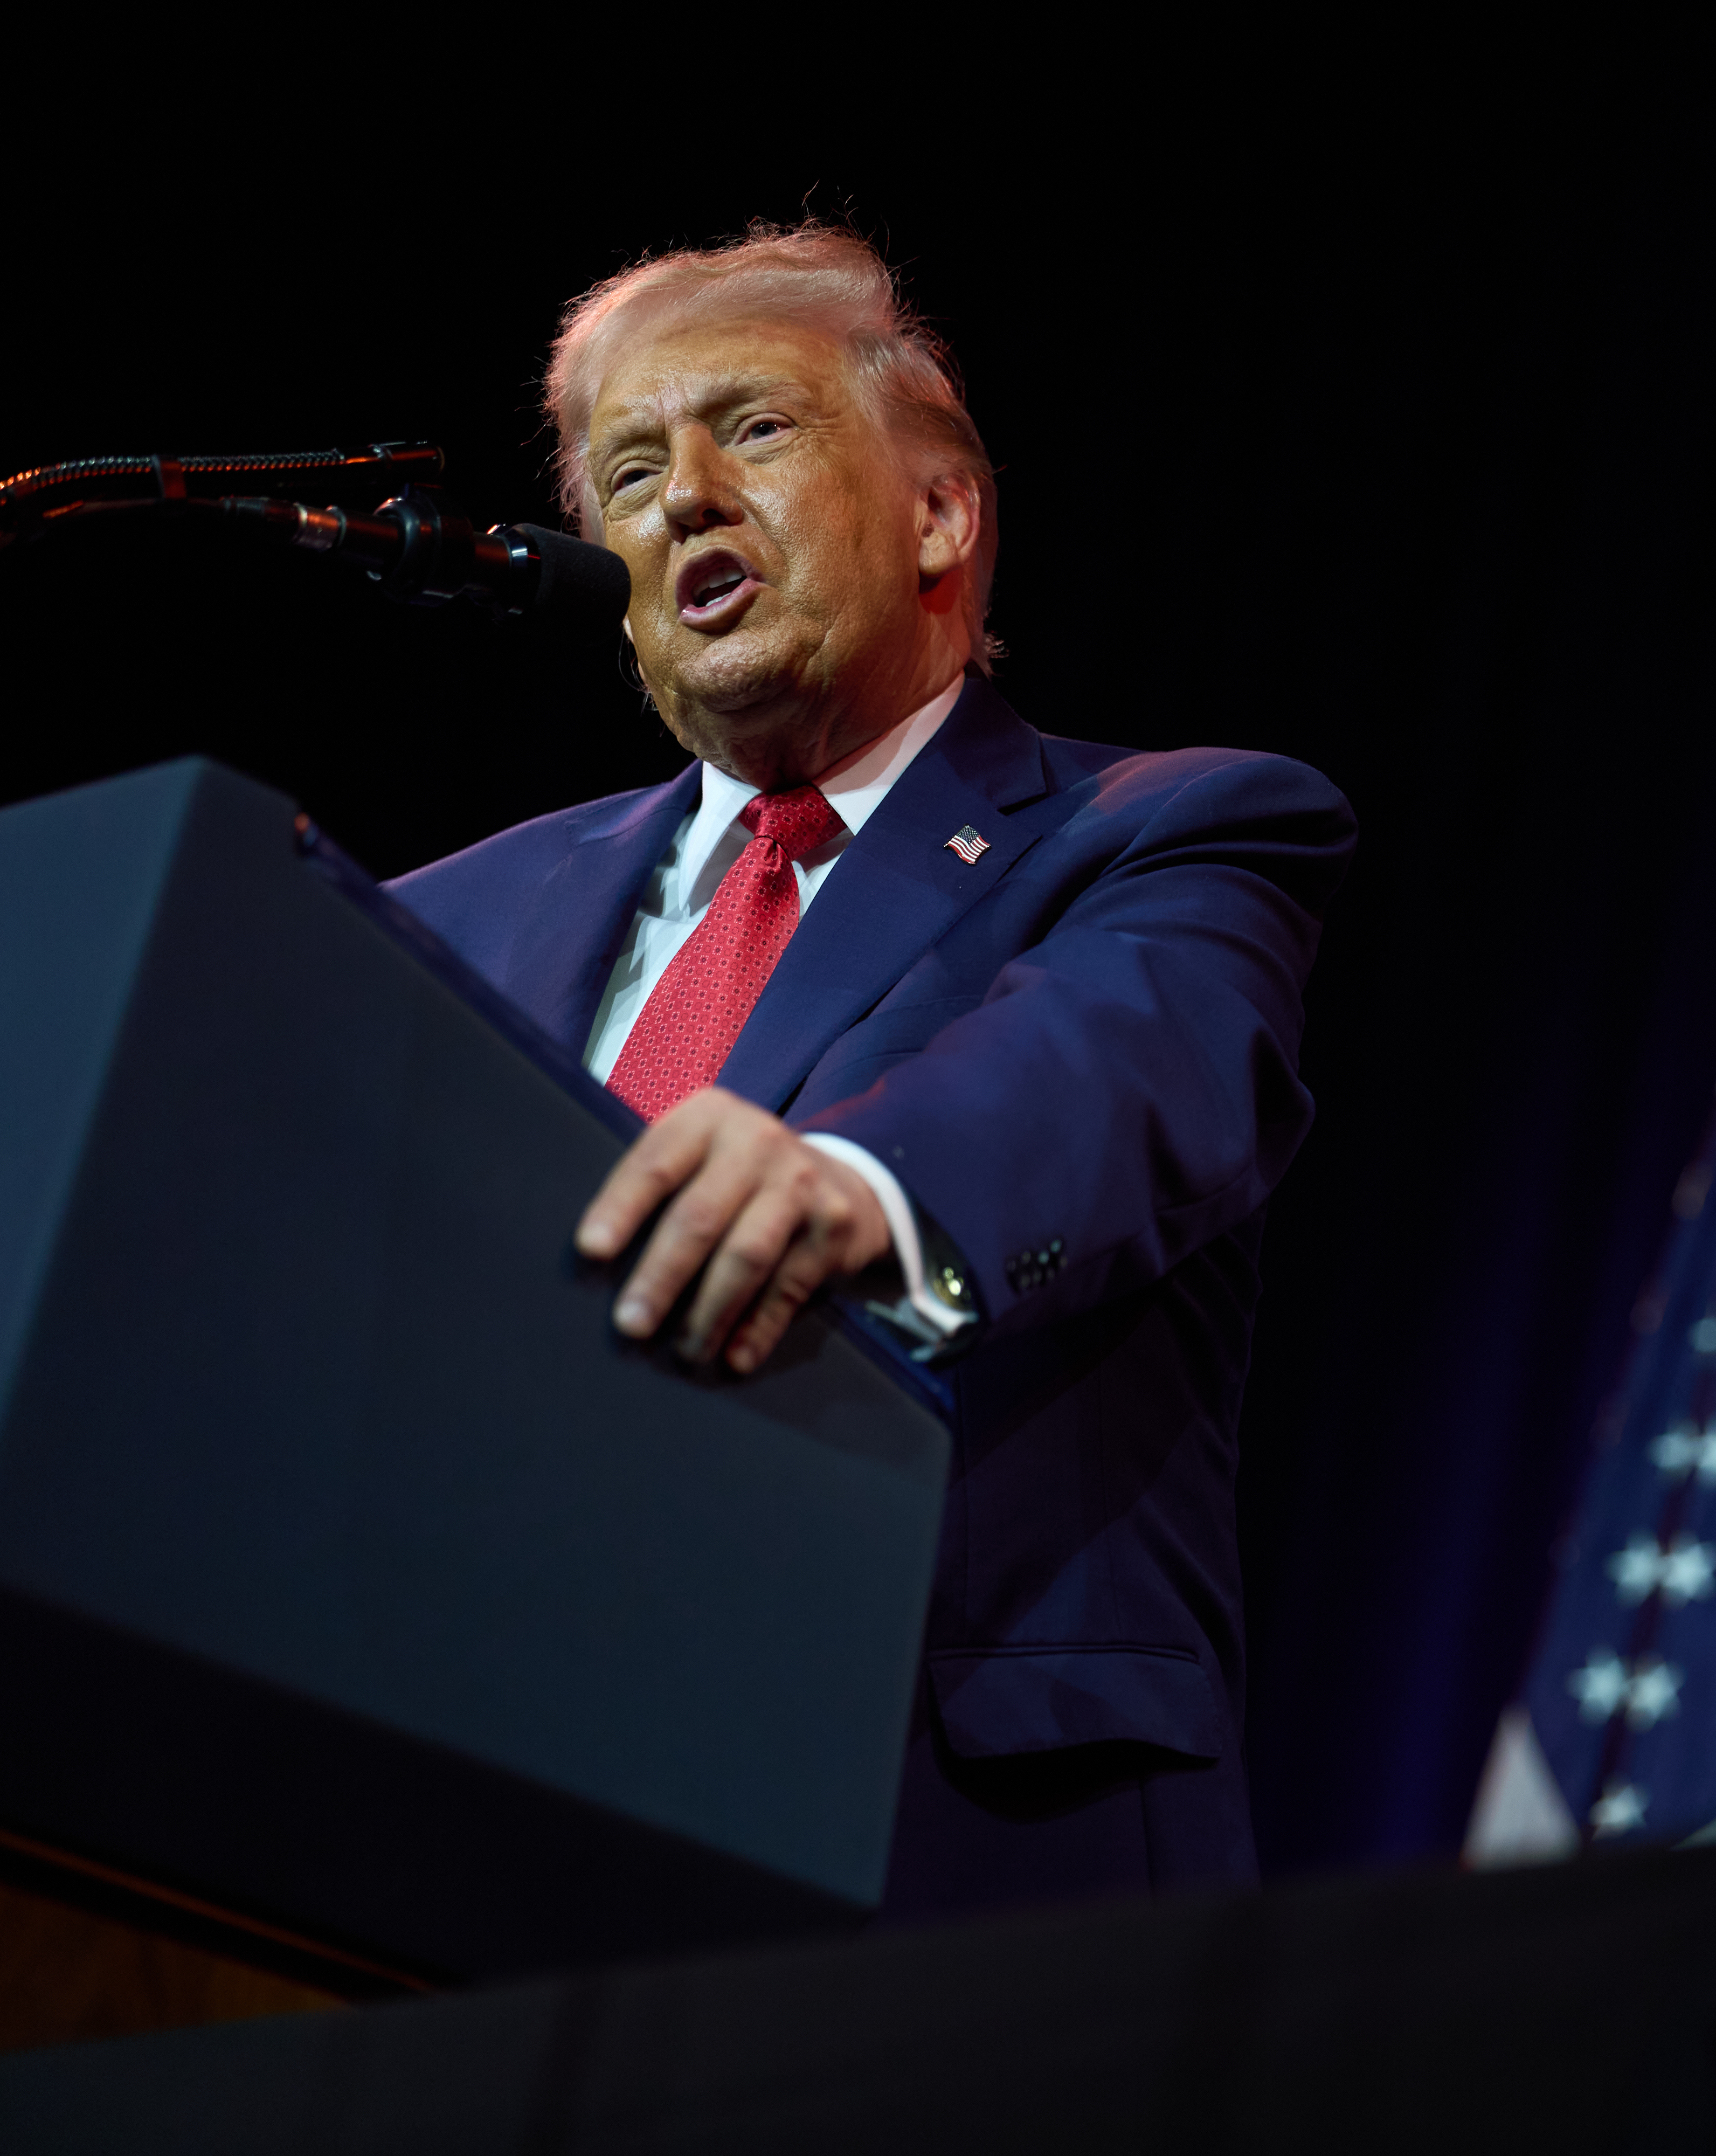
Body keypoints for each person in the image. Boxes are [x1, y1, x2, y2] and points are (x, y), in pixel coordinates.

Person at [391, 224, 1354, 1915]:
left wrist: (850, 1185)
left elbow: (1119, 1068)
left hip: (936, 1851)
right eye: (627, 470)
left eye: (751, 431)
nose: (681, 496)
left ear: (940, 513)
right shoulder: (438, 920)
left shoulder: (1173, 834)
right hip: (466, 1814)